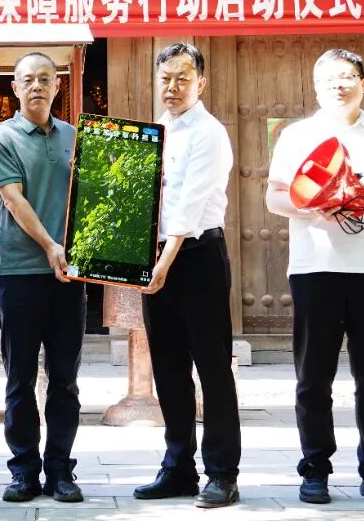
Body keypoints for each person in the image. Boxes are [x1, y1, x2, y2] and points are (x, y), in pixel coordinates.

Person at [266, 48, 364, 505]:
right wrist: (312, 208)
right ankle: (315, 470)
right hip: (315, 268)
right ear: (316, 87)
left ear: (363, 84)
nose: (339, 84)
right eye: (330, 78)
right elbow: (275, 197)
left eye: (348, 76)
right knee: (314, 378)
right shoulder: (297, 135)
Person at [132, 43, 241, 509]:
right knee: (169, 367)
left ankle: (222, 473)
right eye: (165, 79)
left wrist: (163, 262)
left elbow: (189, 205)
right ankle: (178, 468)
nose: (172, 87)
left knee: (213, 368)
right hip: (158, 256)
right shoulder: (156, 131)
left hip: (196, 256)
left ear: (201, 83)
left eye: (182, 78)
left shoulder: (209, 132)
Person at [0, 51, 84, 504]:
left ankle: (60, 470)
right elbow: (13, 199)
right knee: (20, 378)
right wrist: (49, 245)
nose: (37, 86)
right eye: (28, 79)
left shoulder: (75, 138)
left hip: (69, 276)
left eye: (45, 78)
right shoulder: (1, 137)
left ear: (57, 86)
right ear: (15, 88)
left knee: (64, 379)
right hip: (20, 272)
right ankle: (24, 470)